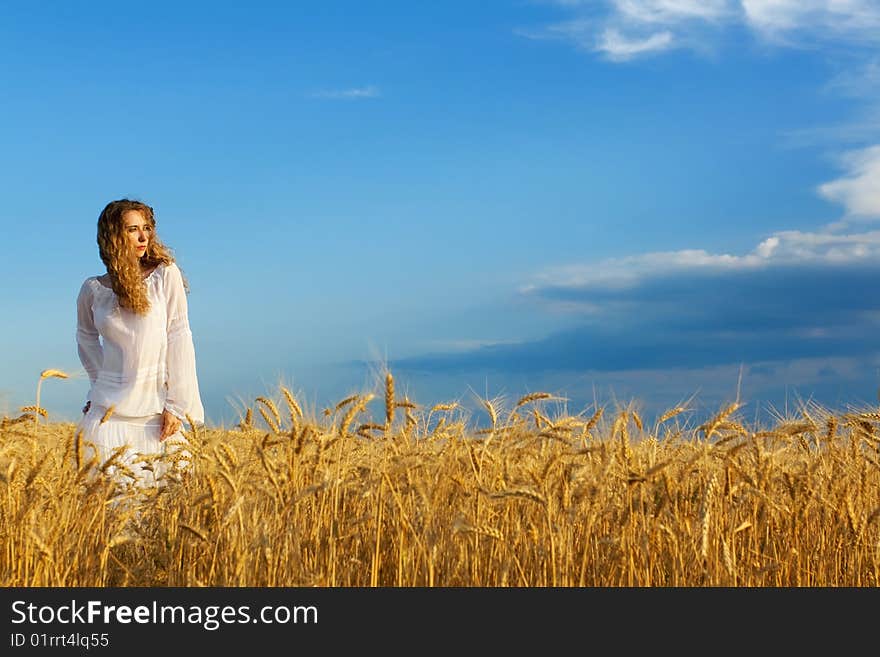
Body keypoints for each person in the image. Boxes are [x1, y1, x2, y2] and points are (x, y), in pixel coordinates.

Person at [75, 198, 205, 488]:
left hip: (155, 419)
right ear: (113, 235)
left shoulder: (164, 276)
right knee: (111, 514)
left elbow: (179, 336)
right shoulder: (92, 289)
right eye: (133, 229)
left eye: (147, 228)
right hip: (107, 421)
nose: (144, 237)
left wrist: (177, 404)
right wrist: (99, 384)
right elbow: (85, 338)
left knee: (165, 511)